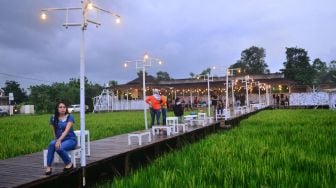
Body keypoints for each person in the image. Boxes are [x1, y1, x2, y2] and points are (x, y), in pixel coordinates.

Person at [45, 101, 77, 175]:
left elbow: (66, 131)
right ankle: (48, 166)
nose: (62, 109)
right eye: (60, 107)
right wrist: (56, 140)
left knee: (59, 148)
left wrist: (59, 140)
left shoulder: (70, 117)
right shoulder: (53, 117)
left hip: (70, 139)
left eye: (64, 107)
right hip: (59, 139)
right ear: (57, 109)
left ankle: (69, 163)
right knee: (51, 144)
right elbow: (53, 131)